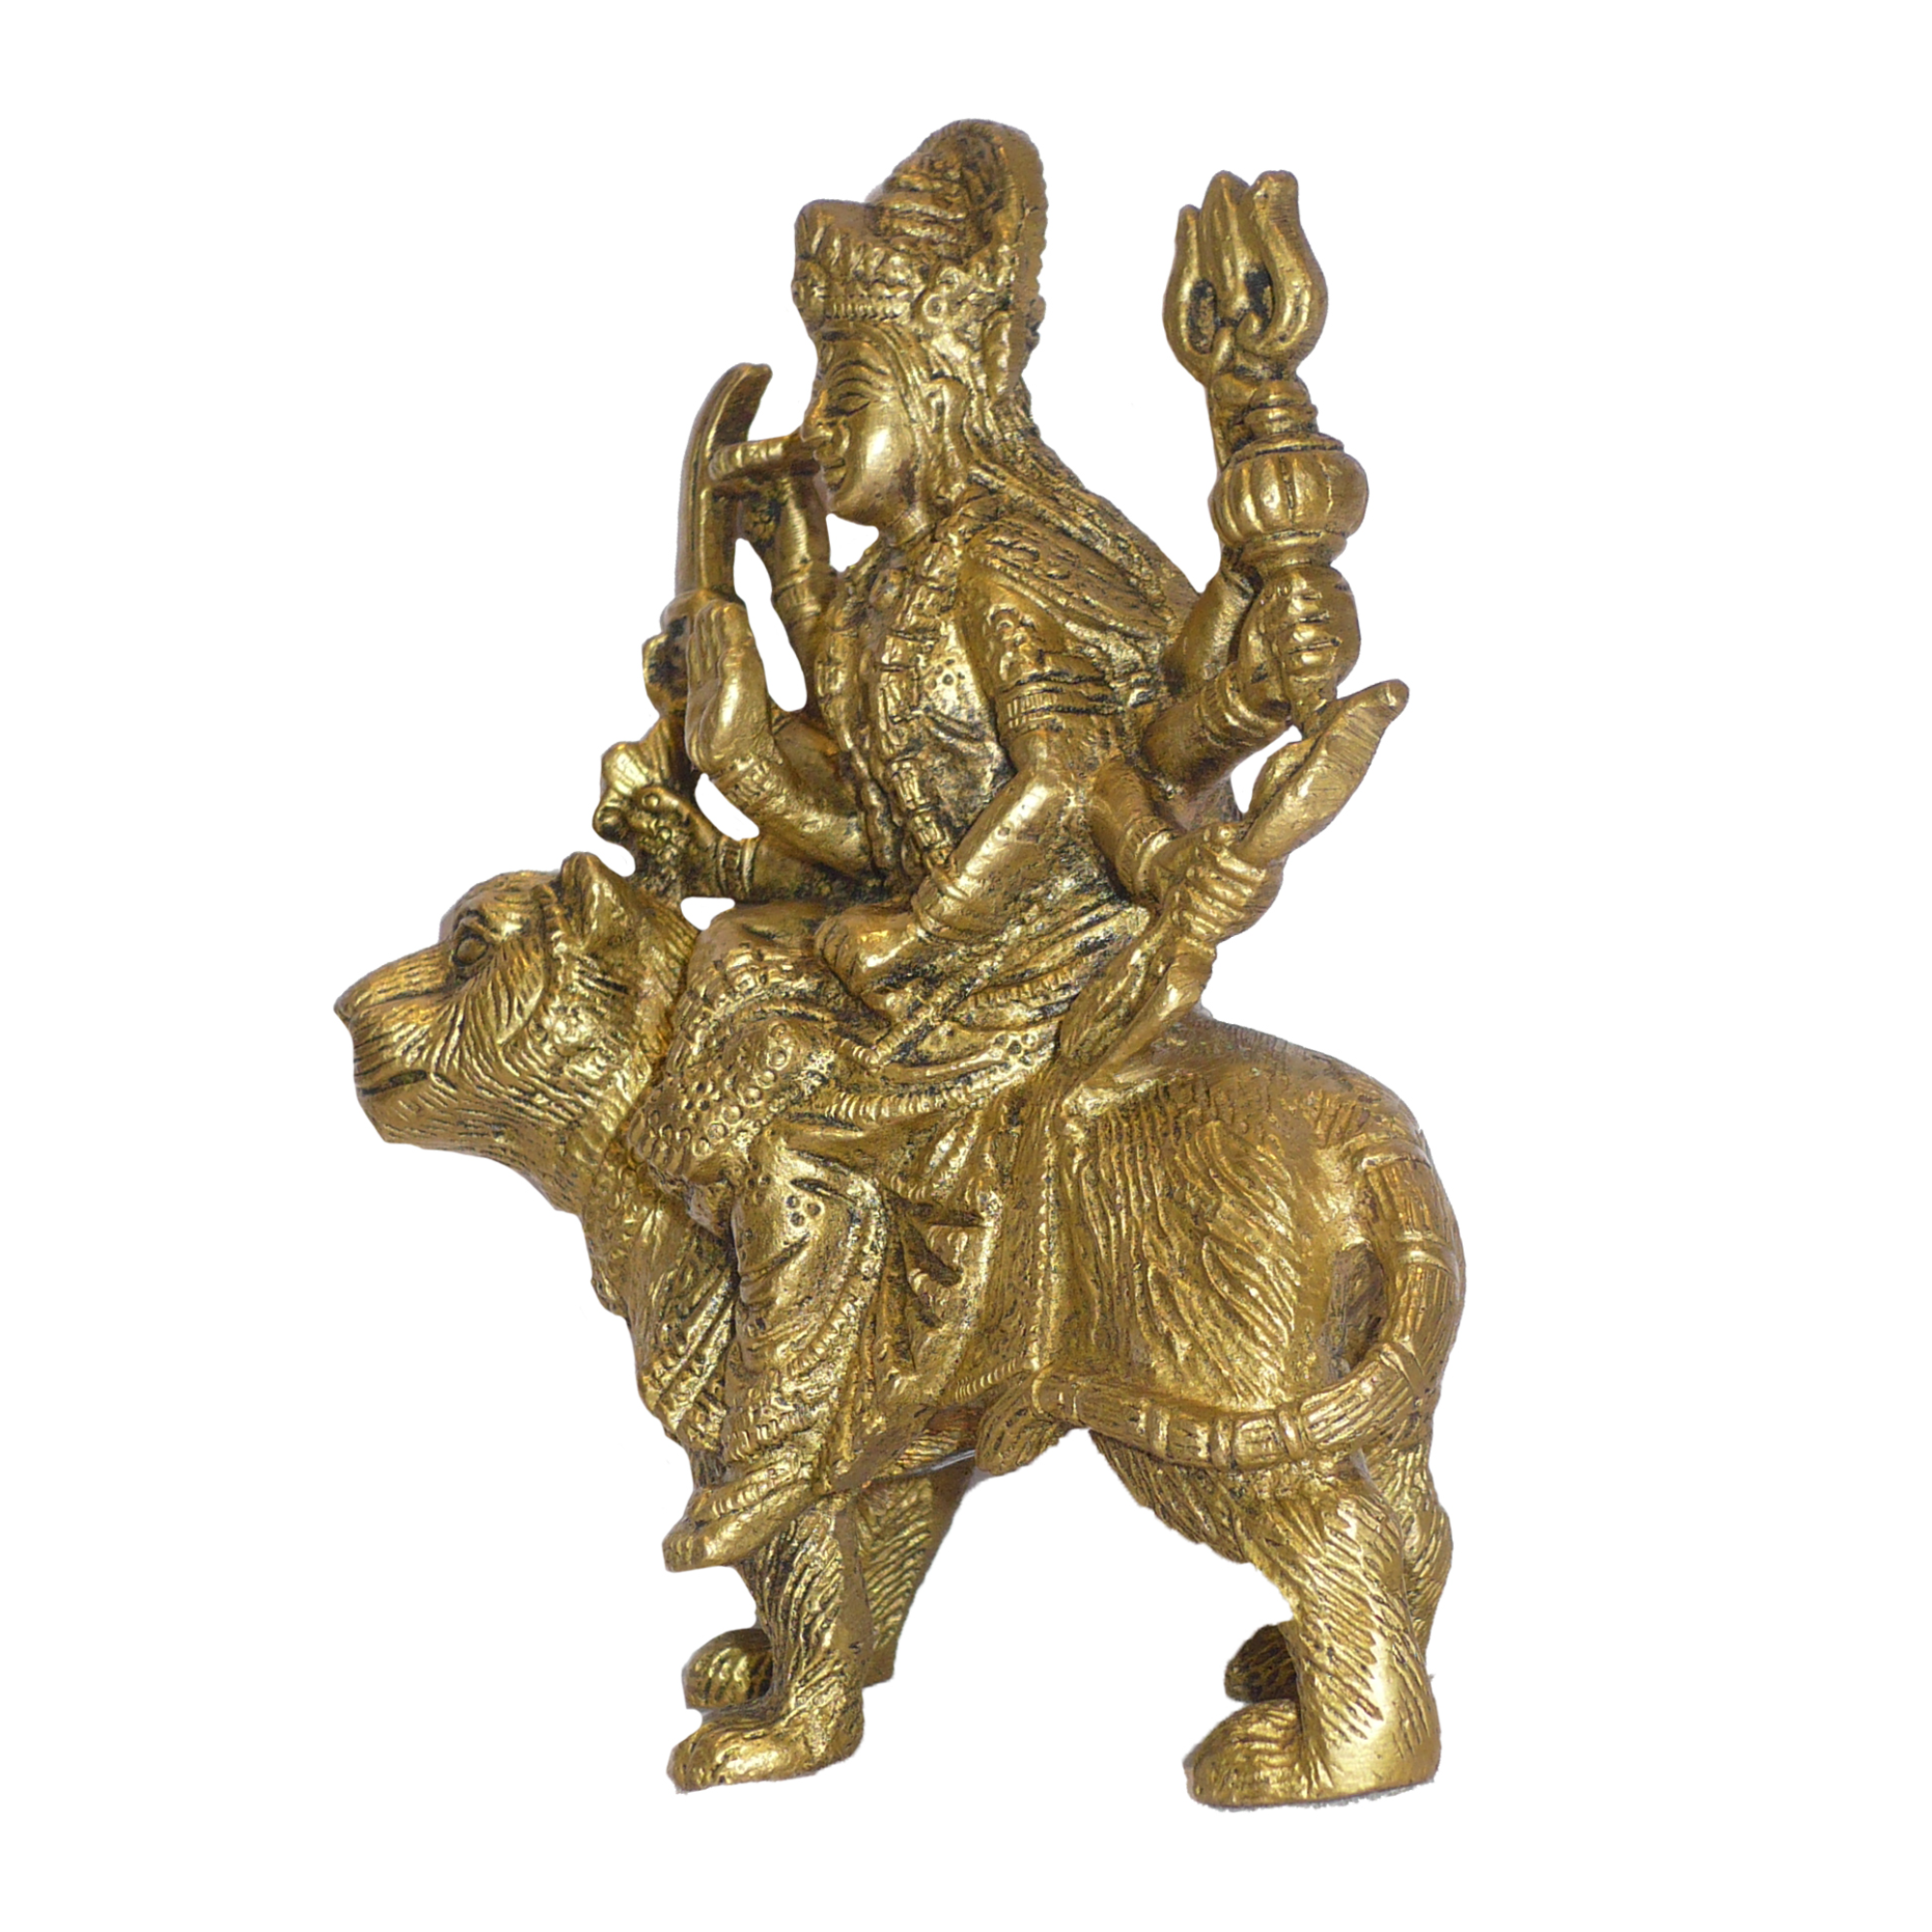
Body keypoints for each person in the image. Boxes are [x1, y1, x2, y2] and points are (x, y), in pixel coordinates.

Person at [626, 121, 1228, 1571]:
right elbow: (878, 824)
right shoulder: (899, 584)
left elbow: (1062, 776)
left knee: (795, 1122)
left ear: (942, 390)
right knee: (736, 969)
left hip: (1042, 947)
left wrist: (925, 928)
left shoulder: (1005, 565)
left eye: (849, 389)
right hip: (958, 938)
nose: (819, 427)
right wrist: (737, 762)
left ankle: (787, 1434)